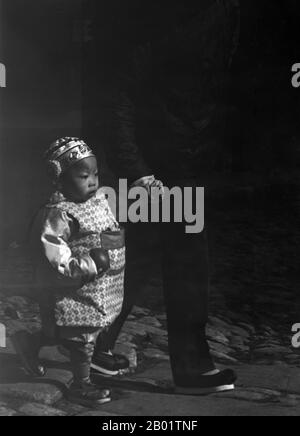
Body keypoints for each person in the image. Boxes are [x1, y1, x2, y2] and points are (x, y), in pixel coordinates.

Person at [90, 0, 240, 394]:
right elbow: (118, 96)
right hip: (156, 169)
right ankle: (190, 369)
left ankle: (92, 347)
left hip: (185, 163)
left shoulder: (224, 15)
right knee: (184, 262)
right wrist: (139, 173)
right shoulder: (154, 19)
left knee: (136, 259)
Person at [12, 137, 126, 407]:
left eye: (95, 174)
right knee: (80, 339)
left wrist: (113, 247)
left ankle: (29, 343)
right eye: (84, 175)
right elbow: (55, 255)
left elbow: (105, 231)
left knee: (66, 332)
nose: (92, 181)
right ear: (59, 178)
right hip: (72, 288)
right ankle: (81, 383)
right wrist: (88, 264)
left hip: (100, 286)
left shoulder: (96, 202)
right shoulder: (58, 214)